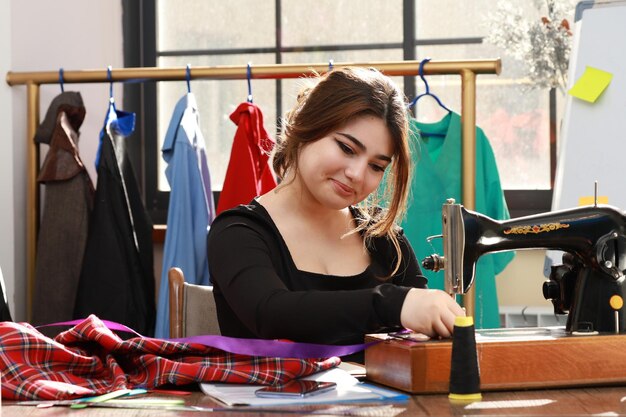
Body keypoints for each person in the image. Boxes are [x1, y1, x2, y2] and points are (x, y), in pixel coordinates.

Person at [207, 67, 464, 358]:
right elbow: (270, 313)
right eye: (346, 148)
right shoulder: (237, 233)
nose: (356, 174)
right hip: (268, 403)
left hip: (384, 405)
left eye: (376, 166)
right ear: (307, 125)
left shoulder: (383, 237)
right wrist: (393, 303)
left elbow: (423, 332)